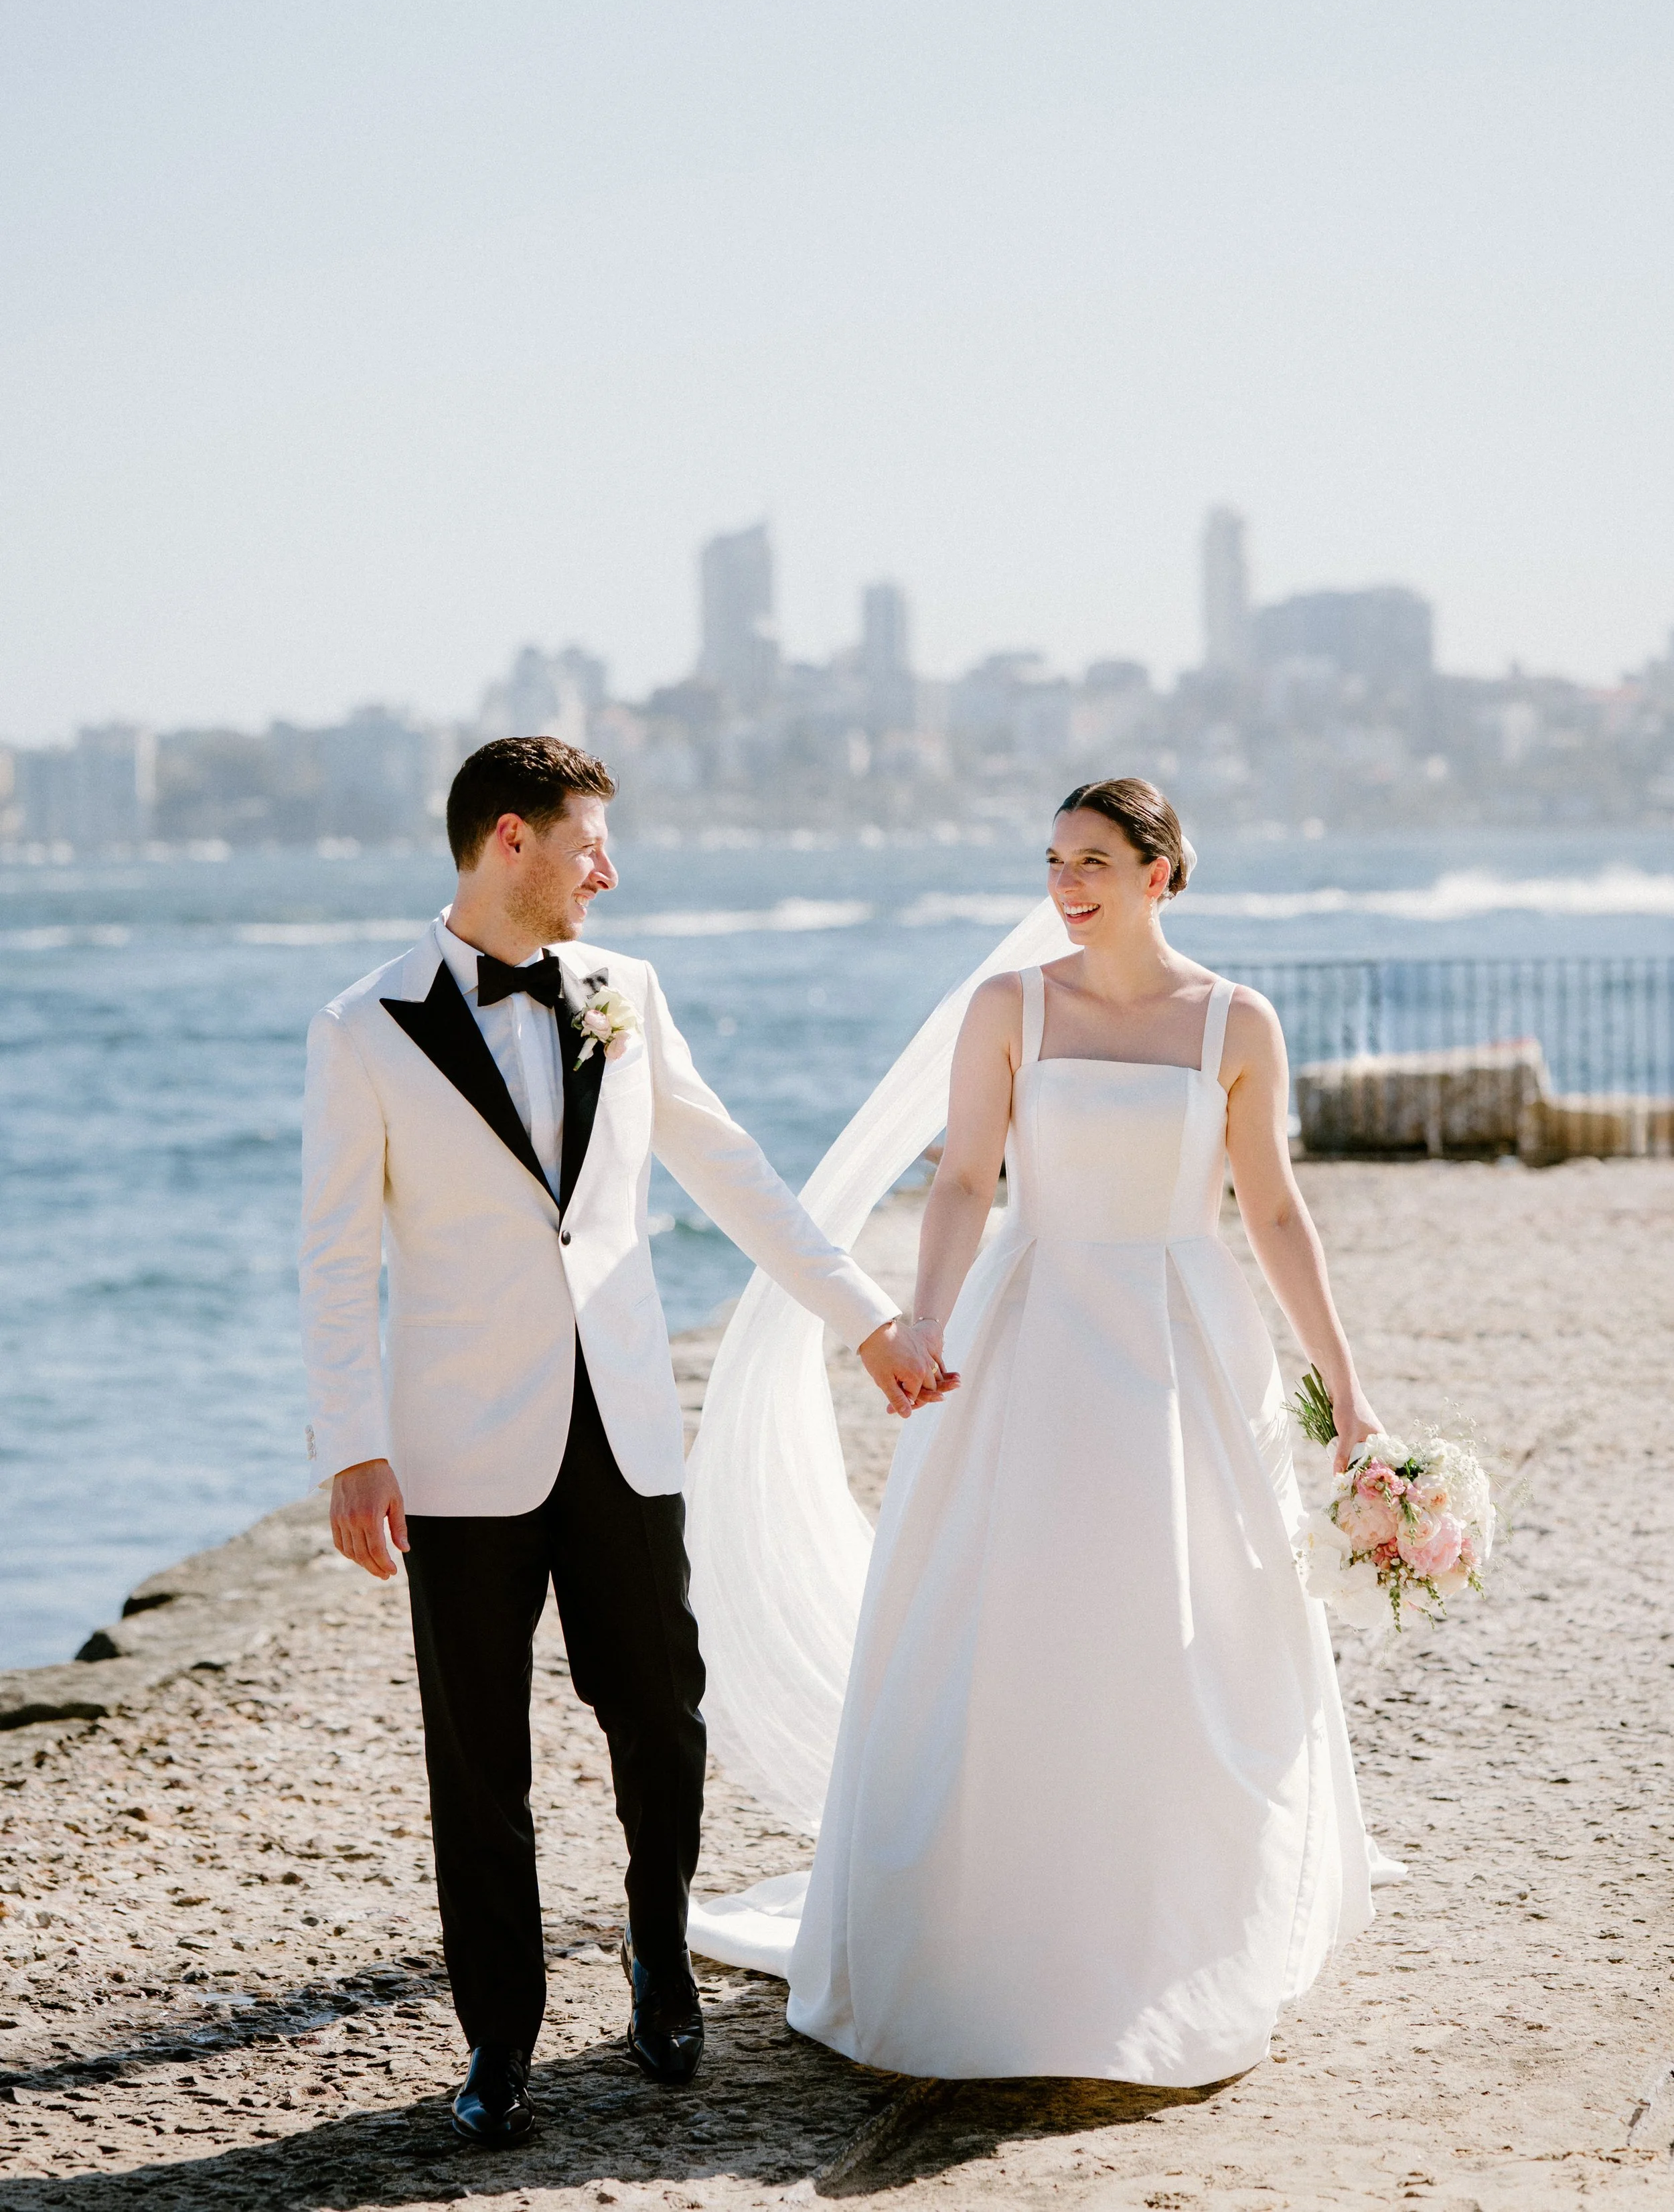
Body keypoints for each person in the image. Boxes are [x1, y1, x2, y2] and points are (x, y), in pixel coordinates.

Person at [688, 776, 1387, 2085]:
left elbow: (1274, 1213)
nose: (1065, 886)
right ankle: (995, 1931)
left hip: (1184, 1341)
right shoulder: (1008, 1006)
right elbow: (960, 1177)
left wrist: (1343, 1388)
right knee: (1018, 1612)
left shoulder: (1234, 1022)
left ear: (1159, 874)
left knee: (1182, 1619)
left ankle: (1169, 1927)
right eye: (1053, 862)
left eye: (1093, 863)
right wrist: (927, 1327)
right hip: (1034, 1332)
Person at [298, 736, 936, 2146]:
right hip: (458, 1449)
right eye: (590, 842)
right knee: (479, 1759)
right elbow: (336, 1262)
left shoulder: (626, 994)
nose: (611, 869)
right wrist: (352, 1447)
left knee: (661, 1717)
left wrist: (867, 1320)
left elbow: (734, 1171)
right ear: (508, 842)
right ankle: (499, 2044)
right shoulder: (362, 1028)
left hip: (626, 1431)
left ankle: (657, 1953)